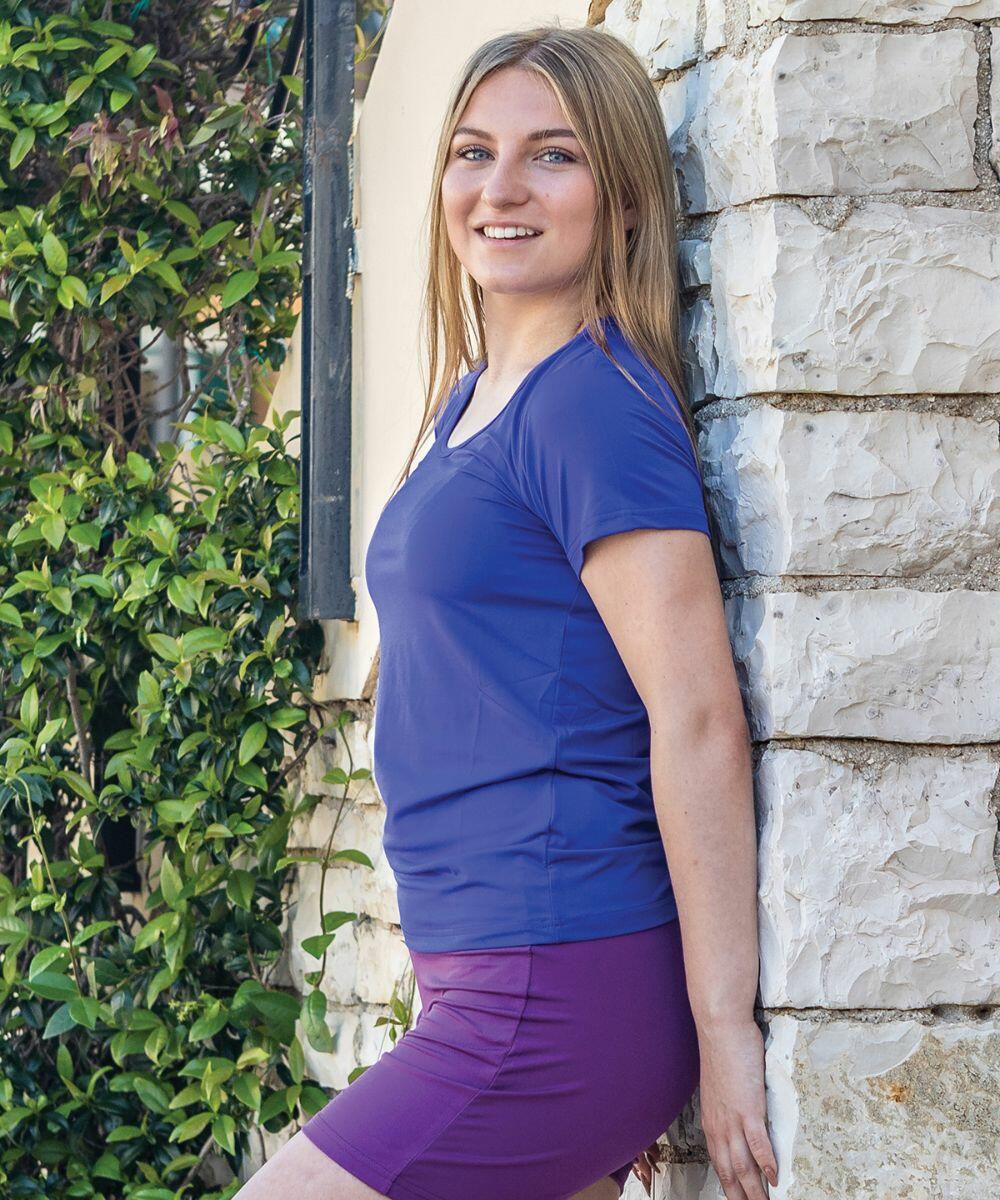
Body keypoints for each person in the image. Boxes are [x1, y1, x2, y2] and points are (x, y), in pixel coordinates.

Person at [241, 23, 778, 1200]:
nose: (499, 189)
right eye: (473, 152)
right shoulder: (474, 397)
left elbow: (695, 719)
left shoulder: (593, 405)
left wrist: (721, 1030)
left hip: (557, 982)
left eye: (554, 157)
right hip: (494, 976)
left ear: (626, 198)